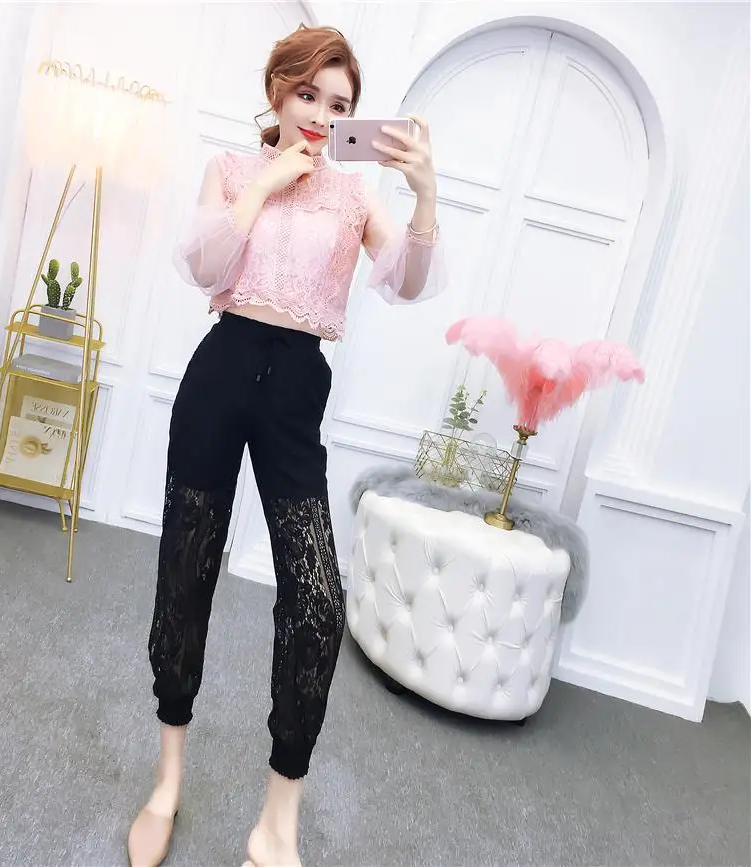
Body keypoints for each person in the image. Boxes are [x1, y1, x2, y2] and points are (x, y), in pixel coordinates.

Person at [127, 23, 445, 867]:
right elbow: (204, 265)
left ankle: (277, 823)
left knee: (317, 603)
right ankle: (167, 780)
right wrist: (268, 180)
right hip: (221, 372)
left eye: (339, 105)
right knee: (185, 573)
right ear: (278, 88)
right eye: (309, 94)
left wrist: (425, 198)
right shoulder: (232, 171)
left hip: (297, 389)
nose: (321, 115)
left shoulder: (355, 195)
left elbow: (408, 282)